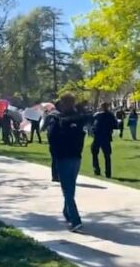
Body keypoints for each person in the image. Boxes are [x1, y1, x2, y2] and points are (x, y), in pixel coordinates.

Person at [49, 93, 91, 232]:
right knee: (70, 187)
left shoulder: (58, 119)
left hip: (63, 157)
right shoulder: (79, 119)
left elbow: (52, 138)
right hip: (76, 157)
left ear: (63, 103)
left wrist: (55, 154)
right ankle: (67, 212)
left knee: (67, 190)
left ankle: (75, 220)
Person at [91, 102, 116, 178]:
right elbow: (115, 125)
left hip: (98, 136)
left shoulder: (98, 115)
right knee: (107, 155)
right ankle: (108, 173)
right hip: (105, 137)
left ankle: (97, 169)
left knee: (95, 153)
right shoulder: (110, 115)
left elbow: (93, 124)